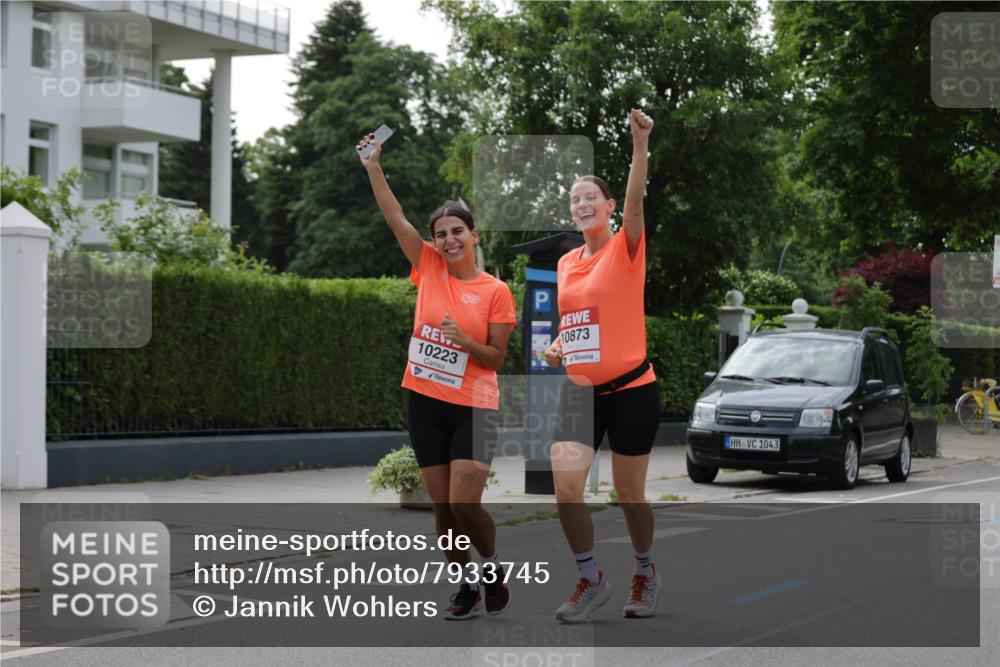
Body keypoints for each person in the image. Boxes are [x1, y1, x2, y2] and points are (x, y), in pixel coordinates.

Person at [357, 131, 517, 620]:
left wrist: (463, 341)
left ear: (474, 236)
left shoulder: (496, 291)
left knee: (466, 504)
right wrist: (373, 167)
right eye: (441, 233)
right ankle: (466, 584)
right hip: (425, 401)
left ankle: (490, 569)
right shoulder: (426, 267)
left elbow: (494, 358)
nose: (449, 240)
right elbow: (394, 217)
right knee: (442, 509)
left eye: (457, 232)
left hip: (474, 405)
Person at [543, 109, 661, 623]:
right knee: (565, 490)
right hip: (580, 390)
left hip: (633, 387)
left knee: (628, 494)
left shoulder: (626, 248)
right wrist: (558, 345)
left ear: (609, 207)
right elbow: (576, 322)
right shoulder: (567, 263)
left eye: (591, 196)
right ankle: (591, 579)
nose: (582, 203)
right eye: (575, 199)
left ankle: (645, 569)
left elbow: (638, 200)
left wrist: (639, 145)